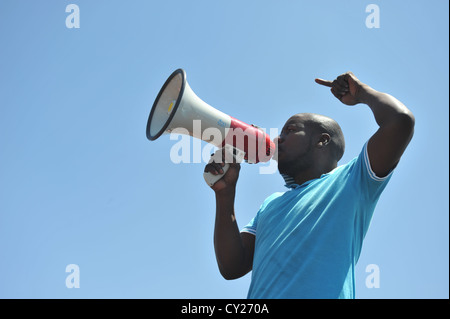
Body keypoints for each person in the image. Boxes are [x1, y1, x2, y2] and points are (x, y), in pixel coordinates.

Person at [204, 71, 415, 299]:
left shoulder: (353, 179)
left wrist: (362, 93)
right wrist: (225, 195)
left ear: (322, 140)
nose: (278, 139)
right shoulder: (271, 204)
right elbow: (232, 267)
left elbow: (400, 121)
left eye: (291, 130)